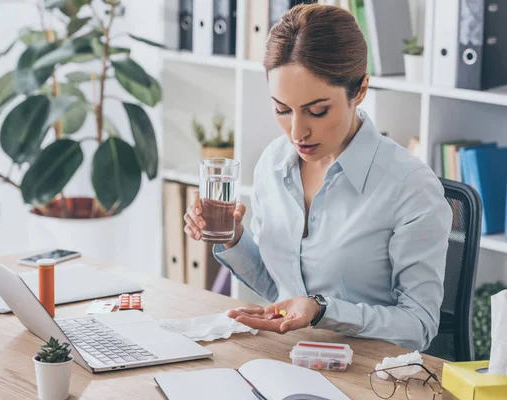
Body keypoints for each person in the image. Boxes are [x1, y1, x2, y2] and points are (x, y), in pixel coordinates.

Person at [183, 4, 452, 351]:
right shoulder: (273, 164)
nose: (297, 132)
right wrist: (234, 239)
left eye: (317, 110)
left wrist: (324, 311)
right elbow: (281, 291)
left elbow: (418, 326)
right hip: (291, 360)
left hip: (367, 375)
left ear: (360, 91)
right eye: (282, 109)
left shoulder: (409, 186)